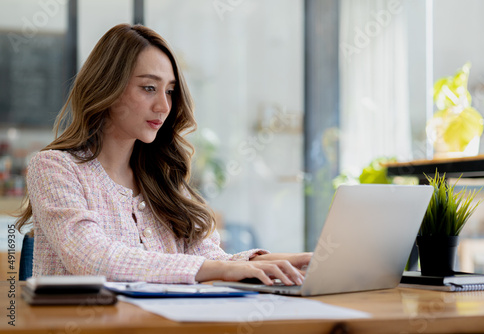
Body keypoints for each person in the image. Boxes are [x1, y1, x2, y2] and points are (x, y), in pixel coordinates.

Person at [15, 23, 311, 285]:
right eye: (148, 88)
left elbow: (208, 258)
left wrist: (270, 262)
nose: (164, 106)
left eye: (169, 91)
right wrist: (218, 268)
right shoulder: (54, 167)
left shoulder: (163, 178)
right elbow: (91, 258)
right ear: (107, 88)